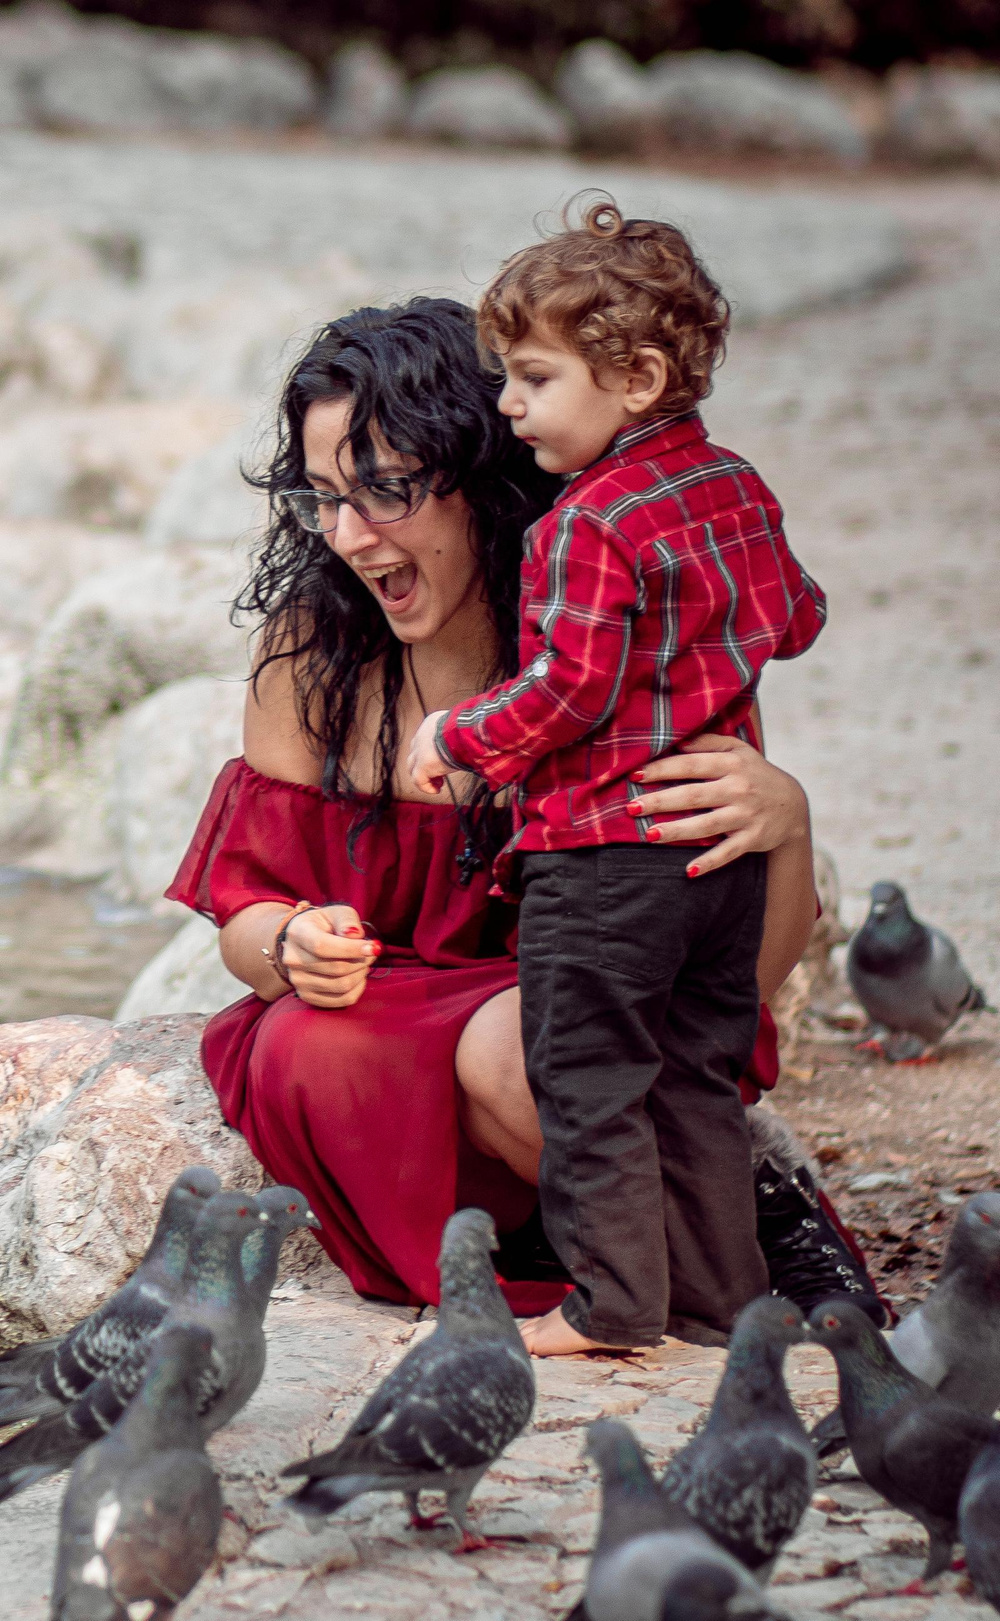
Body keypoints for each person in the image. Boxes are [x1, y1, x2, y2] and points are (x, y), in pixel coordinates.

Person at [163, 293, 877, 1336]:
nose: (350, 535)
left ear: (484, 475)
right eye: (323, 498)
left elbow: (737, 986)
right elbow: (246, 916)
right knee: (303, 1046)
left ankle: (744, 1226)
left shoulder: (622, 639)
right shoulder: (307, 652)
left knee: (523, 1047)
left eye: (387, 489)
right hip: (396, 1029)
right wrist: (288, 942)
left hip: (588, 1037)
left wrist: (789, 823)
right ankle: (633, 1232)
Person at [399, 198, 825, 1354]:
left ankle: (611, 1303)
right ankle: (720, 1303)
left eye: (533, 379)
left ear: (634, 379)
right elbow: (796, 619)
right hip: (715, 859)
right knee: (692, 1077)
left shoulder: (583, 523)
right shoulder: (734, 484)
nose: (507, 404)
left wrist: (458, 738)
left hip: (603, 856)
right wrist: (702, 652)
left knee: (586, 1078)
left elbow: (568, 691)